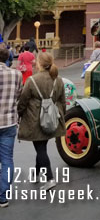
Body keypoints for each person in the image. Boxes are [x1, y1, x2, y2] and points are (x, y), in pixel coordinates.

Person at [17, 52, 66, 192]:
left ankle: (49, 178)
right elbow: (62, 101)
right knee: (41, 145)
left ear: (39, 63)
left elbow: (23, 101)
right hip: (52, 118)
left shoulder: (32, 80)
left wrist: (19, 114)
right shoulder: (58, 79)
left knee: (40, 148)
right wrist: (62, 116)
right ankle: (36, 174)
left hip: (35, 119)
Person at [0, 47, 22, 208]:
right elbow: (19, 96)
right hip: (9, 122)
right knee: (7, 160)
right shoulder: (16, 74)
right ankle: (3, 196)